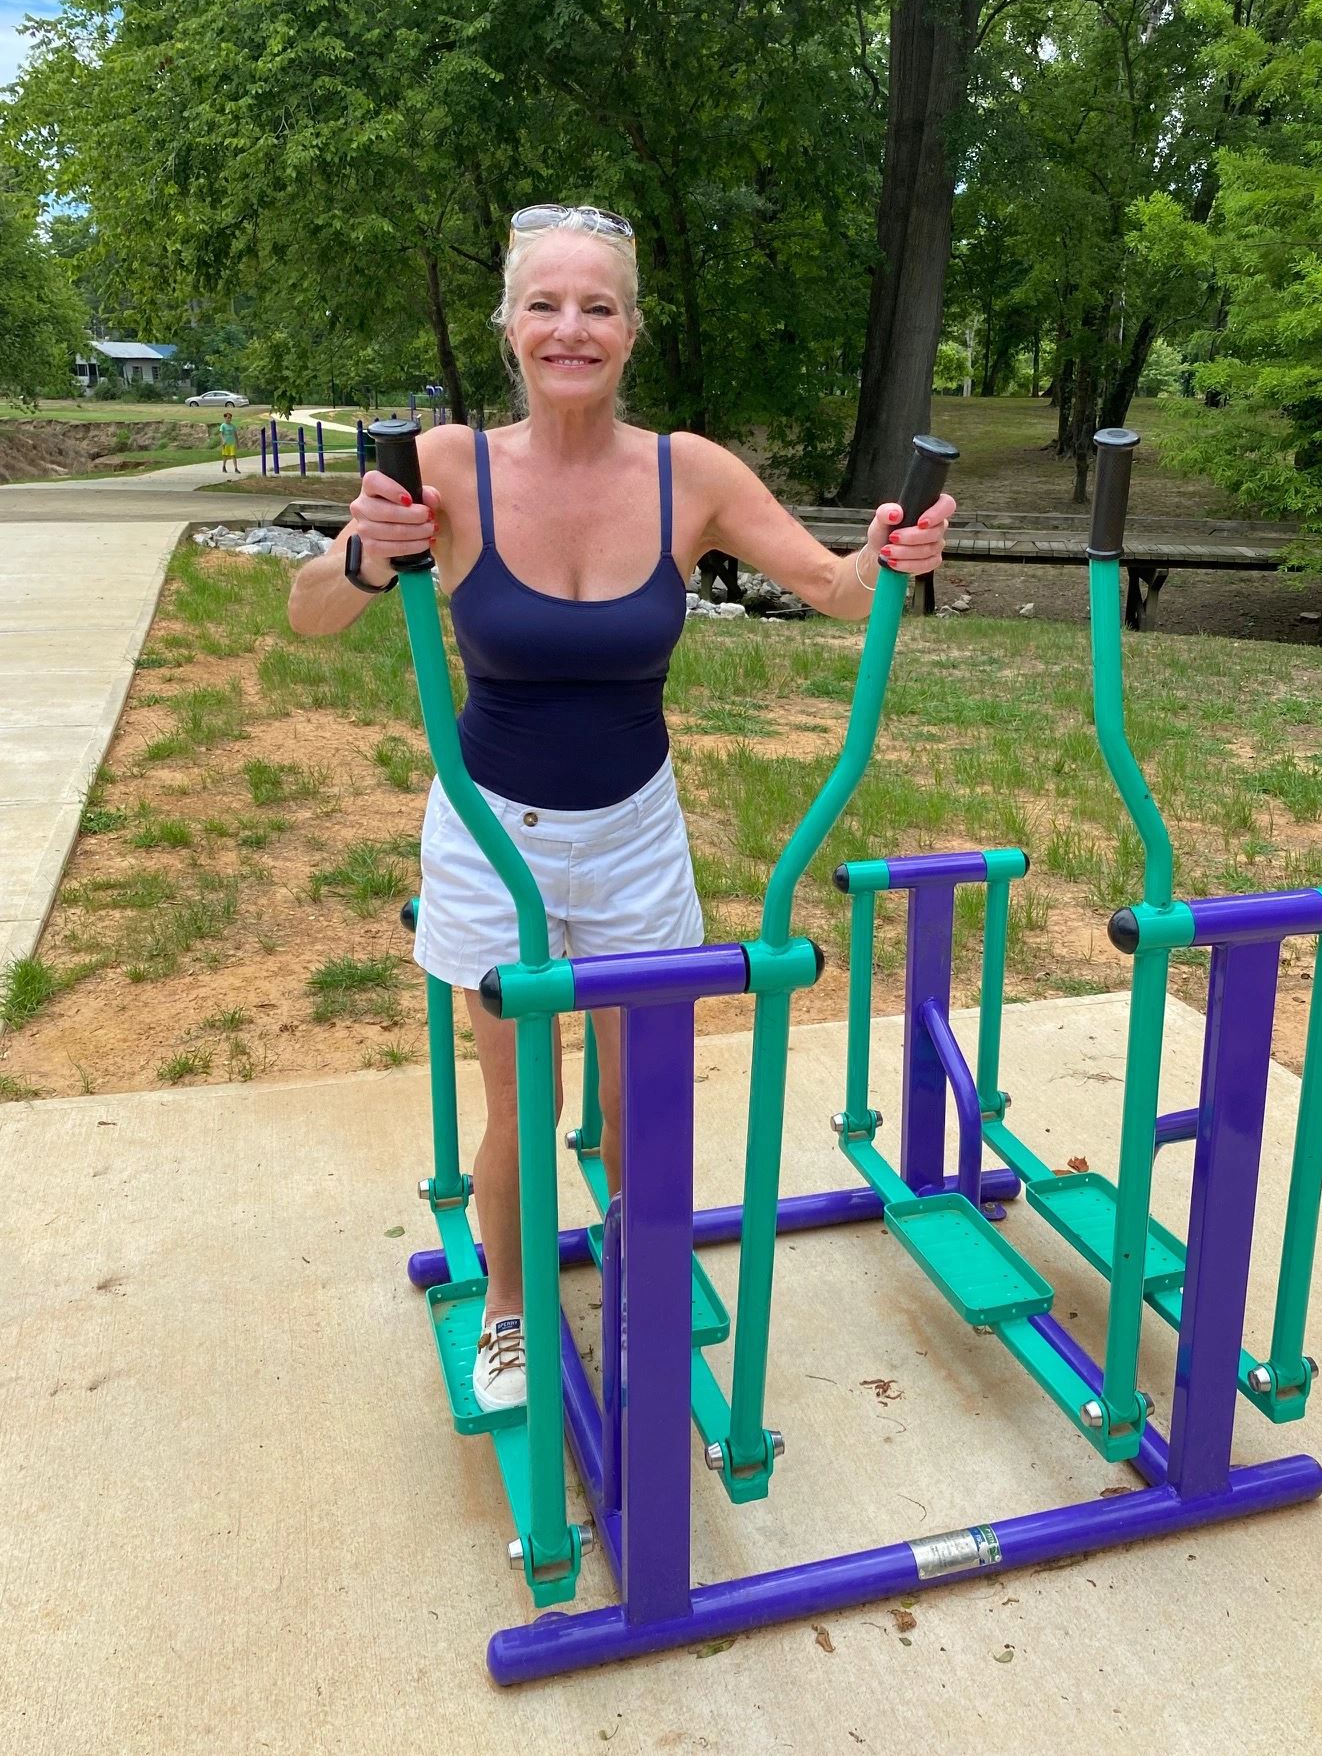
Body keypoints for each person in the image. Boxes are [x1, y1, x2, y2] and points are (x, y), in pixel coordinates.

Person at [287, 203, 954, 1413]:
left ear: (631, 330)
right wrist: (363, 559)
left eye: (597, 306)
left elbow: (838, 592)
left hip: (637, 831)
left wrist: (890, 556)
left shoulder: (688, 472)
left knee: (639, 1098)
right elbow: (308, 614)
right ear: (508, 326)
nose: (570, 328)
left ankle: (643, 1282)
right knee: (520, 1105)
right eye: (545, 304)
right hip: (497, 835)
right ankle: (507, 1309)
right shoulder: (442, 466)